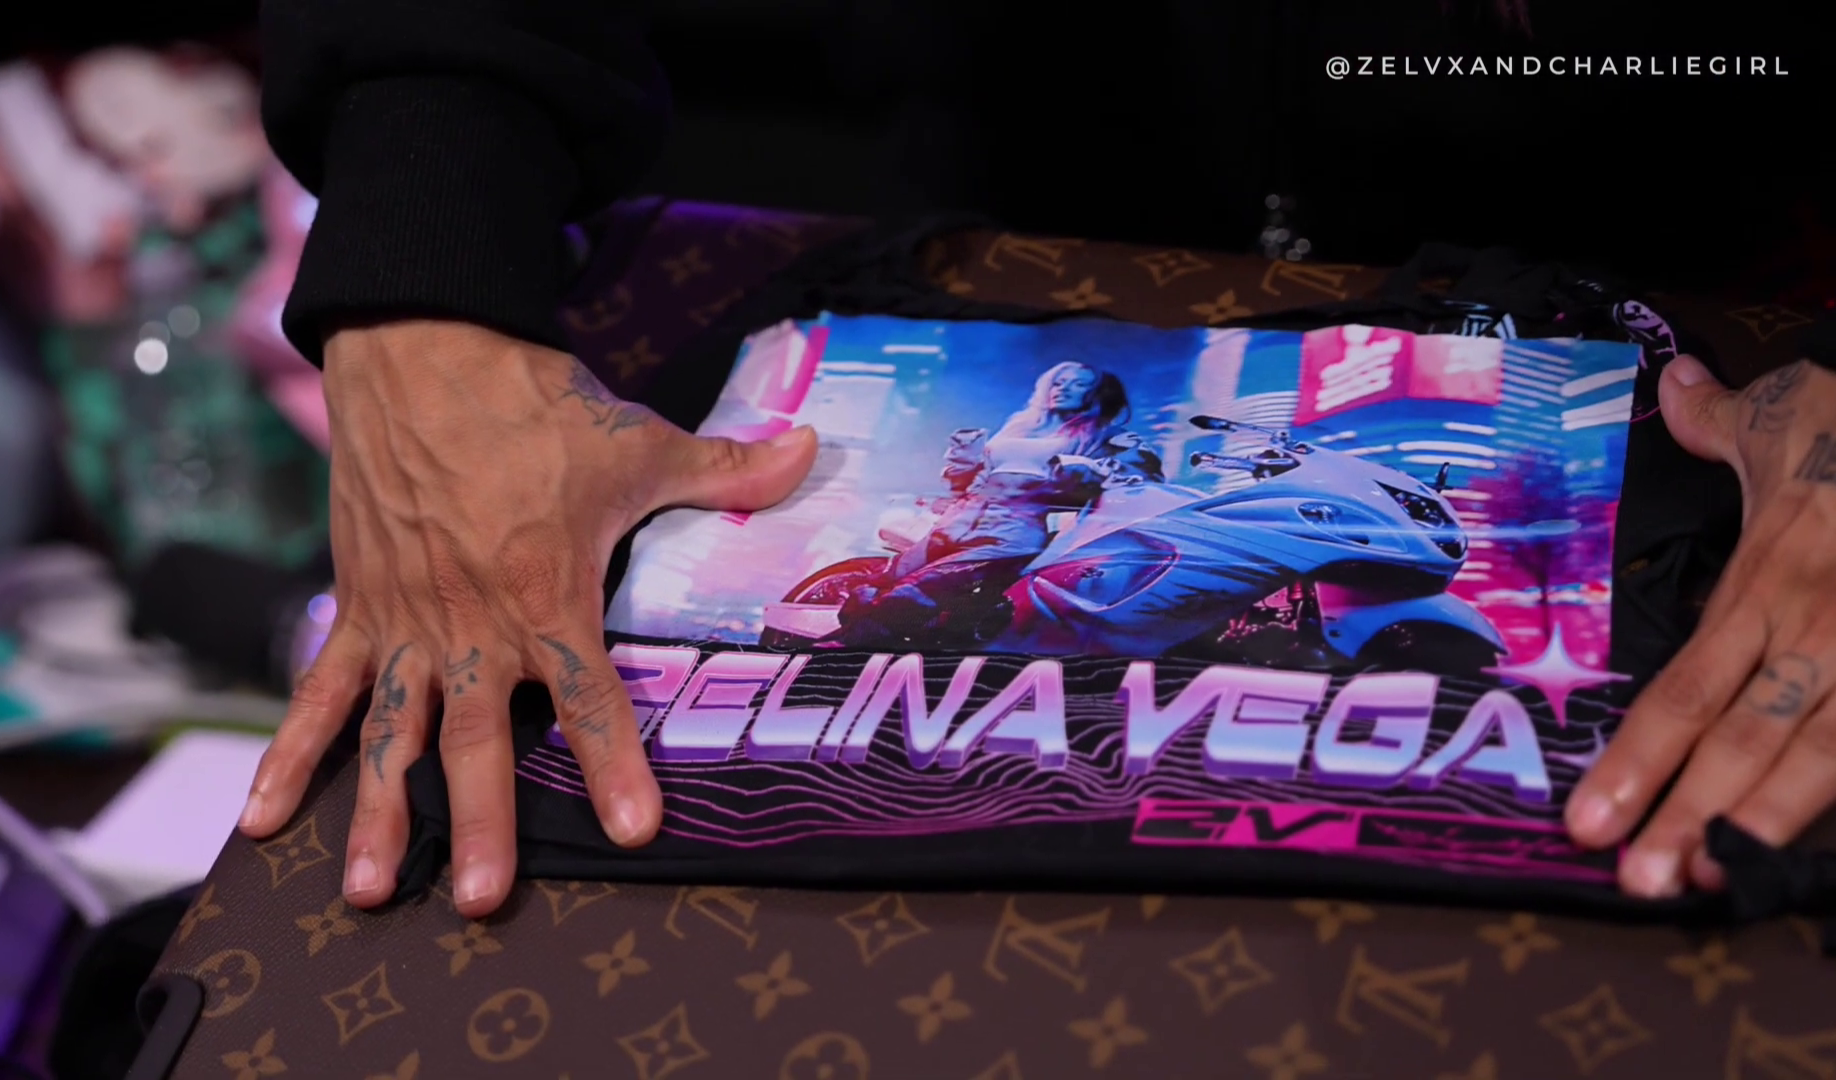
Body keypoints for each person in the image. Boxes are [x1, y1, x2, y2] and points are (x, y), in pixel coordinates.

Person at [240, 0, 1836, 916]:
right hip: (974, 212)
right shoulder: (1037, 444)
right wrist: (423, 257)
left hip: (1701, 300)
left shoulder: (1152, 454)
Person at [840, 361, 1159, 645]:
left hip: (1014, 531)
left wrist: (1085, 471)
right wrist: (965, 458)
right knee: (879, 582)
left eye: (1078, 383)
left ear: (1096, 392)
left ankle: (848, 648)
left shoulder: (1105, 435)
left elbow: (1142, 476)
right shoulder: (1021, 426)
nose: (1063, 389)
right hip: (959, 519)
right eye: (1059, 382)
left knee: (920, 589)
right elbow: (967, 482)